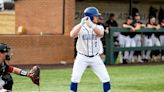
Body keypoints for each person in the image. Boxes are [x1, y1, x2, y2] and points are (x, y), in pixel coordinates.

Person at [69, 7, 111, 92]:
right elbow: (72, 35)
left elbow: (101, 34)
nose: (97, 17)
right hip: (82, 57)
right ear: (91, 17)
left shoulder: (99, 27)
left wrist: (91, 25)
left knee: (105, 77)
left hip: (95, 57)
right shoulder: (81, 27)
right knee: (75, 78)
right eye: (96, 16)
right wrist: (81, 24)